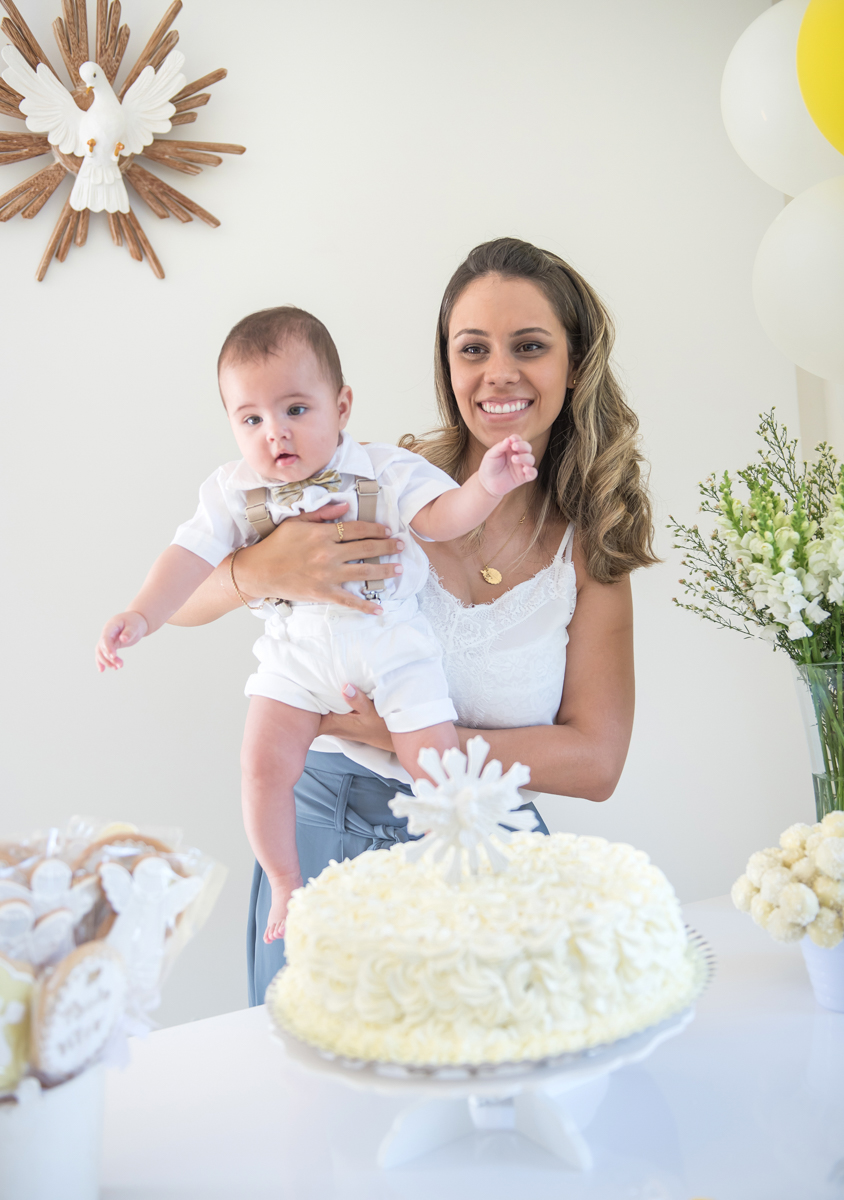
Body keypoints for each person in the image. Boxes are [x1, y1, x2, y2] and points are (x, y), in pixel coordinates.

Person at [171, 237, 657, 1006]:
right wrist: (258, 571)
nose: (498, 373)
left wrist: (398, 735)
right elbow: (179, 602)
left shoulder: (593, 544)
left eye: (529, 346)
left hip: (483, 847)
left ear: (574, 362)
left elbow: (595, 763)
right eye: (473, 349)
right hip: (326, 837)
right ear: (448, 364)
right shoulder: (376, 479)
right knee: (319, 1069)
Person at [95, 306, 538, 945]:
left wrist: (487, 487)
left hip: (389, 643)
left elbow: (442, 518)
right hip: (295, 654)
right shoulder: (231, 490)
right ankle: (285, 881)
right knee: (260, 767)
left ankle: (464, 864)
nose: (275, 432)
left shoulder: (384, 468)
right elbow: (188, 557)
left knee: (436, 765)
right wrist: (141, 613)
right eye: (251, 419)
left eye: (296, 409)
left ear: (342, 406)